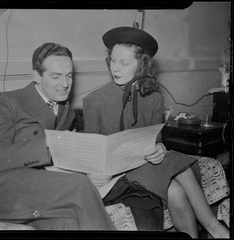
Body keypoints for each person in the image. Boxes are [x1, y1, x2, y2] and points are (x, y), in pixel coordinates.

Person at [83, 26, 229, 238]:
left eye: (124, 62)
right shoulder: (94, 101)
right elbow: (90, 152)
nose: (115, 67)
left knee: (176, 191)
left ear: (141, 65)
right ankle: (213, 227)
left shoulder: (154, 99)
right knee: (181, 173)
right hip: (116, 173)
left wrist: (159, 148)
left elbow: (157, 140)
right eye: (113, 60)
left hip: (145, 165)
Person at [0, 42, 116, 230]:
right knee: (80, 186)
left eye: (69, 76)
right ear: (37, 76)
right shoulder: (7, 101)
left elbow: (57, 163)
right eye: (56, 76)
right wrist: (49, 142)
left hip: (33, 188)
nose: (65, 84)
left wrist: (86, 170)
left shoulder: (64, 108)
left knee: (66, 223)